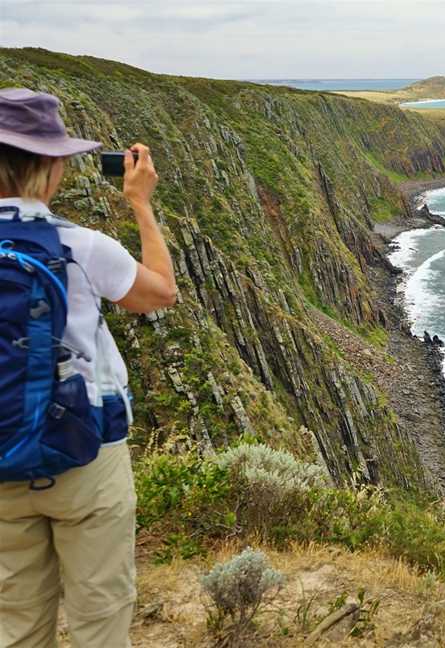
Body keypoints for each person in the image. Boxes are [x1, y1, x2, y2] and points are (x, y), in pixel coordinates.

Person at [0, 88, 177, 647]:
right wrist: (141, 204)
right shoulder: (80, 246)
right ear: (52, 167)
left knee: (16, 624)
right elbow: (160, 293)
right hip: (85, 452)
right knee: (99, 617)